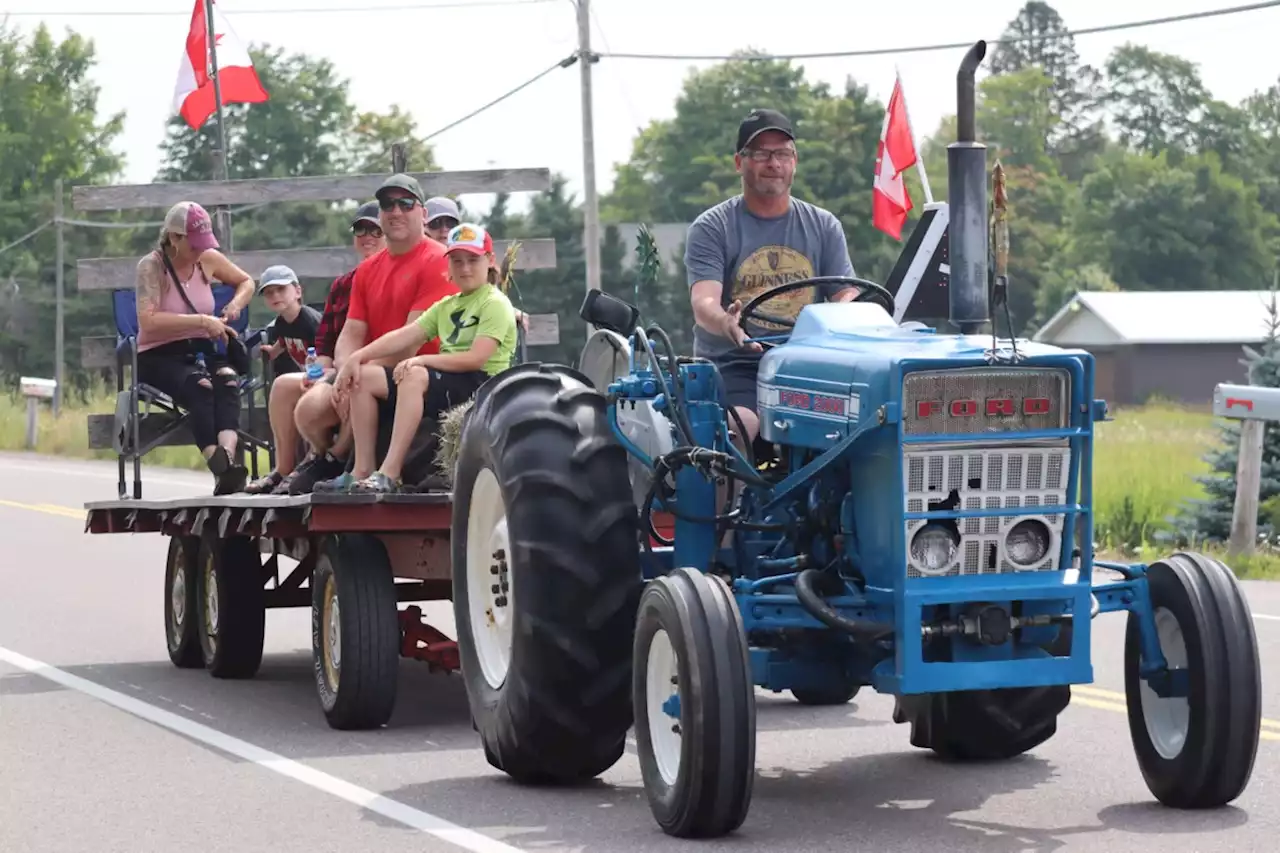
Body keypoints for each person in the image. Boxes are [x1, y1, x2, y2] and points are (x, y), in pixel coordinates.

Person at [685, 108, 861, 447]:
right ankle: (729, 499)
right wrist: (727, 324)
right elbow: (704, 301)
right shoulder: (713, 227)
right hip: (738, 367)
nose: (773, 163)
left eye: (782, 153)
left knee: (868, 421)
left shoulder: (824, 226)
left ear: (794, 161)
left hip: (809, 365)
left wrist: (853, 311)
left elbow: (844, 293)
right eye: (762, 154)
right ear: (740, 162)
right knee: (739, 427)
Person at [287, 174, 458, 493]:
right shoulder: (367, 269)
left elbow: (411, 342)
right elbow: (351, 331)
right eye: (387, 204)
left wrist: (356, 368)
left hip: (421, 371)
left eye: (405, 203)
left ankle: (361, 466)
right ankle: (334, 461)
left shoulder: (437, 260)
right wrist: (343, 369)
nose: (395, 211)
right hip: (370, 369)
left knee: (362, 379)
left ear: (422, 213)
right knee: (308, 409)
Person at [332, 223, 518, 493]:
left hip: (481, 384)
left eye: (473, 260)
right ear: (449, 266)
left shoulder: (494, 303)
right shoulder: (447, 305)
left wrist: (423, 361)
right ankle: (363, 468)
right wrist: (358, 357)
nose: (465, 268)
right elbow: (405, 335)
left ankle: (390, 473)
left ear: (489, 261)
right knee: (366, 376)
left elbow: (476, 359)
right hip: (449, 379)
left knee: (414, 374)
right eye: (457, 261)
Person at [244, 202, 386, 495]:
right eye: (361, 229)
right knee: (284, 385)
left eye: (375, 229)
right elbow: (324, 344)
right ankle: (285, 468)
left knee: (353, 383)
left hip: (374, 369)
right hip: (337, 367)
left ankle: (331, 458)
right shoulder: (343, 285)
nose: (367, 235)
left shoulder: (393, 276)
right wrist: (317, 372)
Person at [134, 200, 256, 494]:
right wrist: (202, 319)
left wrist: (235, 304)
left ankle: (225, 460)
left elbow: (246, 281)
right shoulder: (152, 267)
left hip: (202, 348)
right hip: (159, 353)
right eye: (194, 245)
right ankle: (217, 462)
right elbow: (148, 321)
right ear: (174, 238)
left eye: (204, 244)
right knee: (201, 386)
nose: (200, 251)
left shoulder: (208, 259)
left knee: (227, 380)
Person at [258, 264, 322, 375]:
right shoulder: (280, 322)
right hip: (306, 373)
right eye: (268, 292)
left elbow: (326, 350)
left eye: (281, 289)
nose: (275, 295)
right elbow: (284, 339)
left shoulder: (310, 321)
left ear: (298, 291)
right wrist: (273, 351)